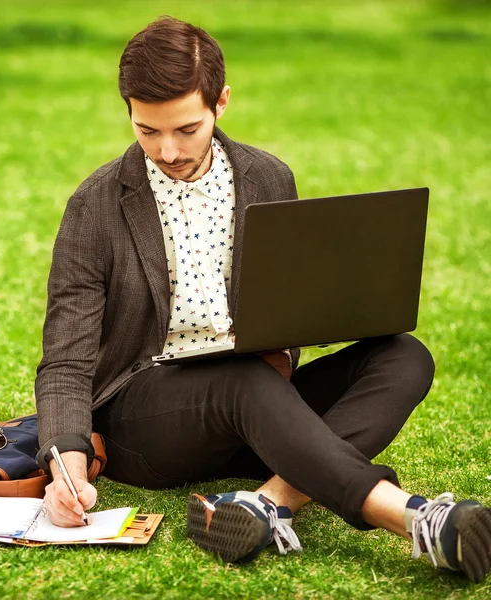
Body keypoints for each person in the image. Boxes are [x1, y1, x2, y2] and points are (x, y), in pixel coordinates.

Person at [35, 16, 491, 582]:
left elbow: (285, 310)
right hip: (147, 420)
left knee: (404, 356)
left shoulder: (269, 178)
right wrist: (66, 466)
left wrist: (289, 353)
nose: (167, 149)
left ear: (221, 102)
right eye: (147, 130)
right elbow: (65, 360)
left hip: (262, 406)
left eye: (186, 128)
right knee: (243, 379)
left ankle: (267, 502)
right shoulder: (95, 206)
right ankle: (411, 518)